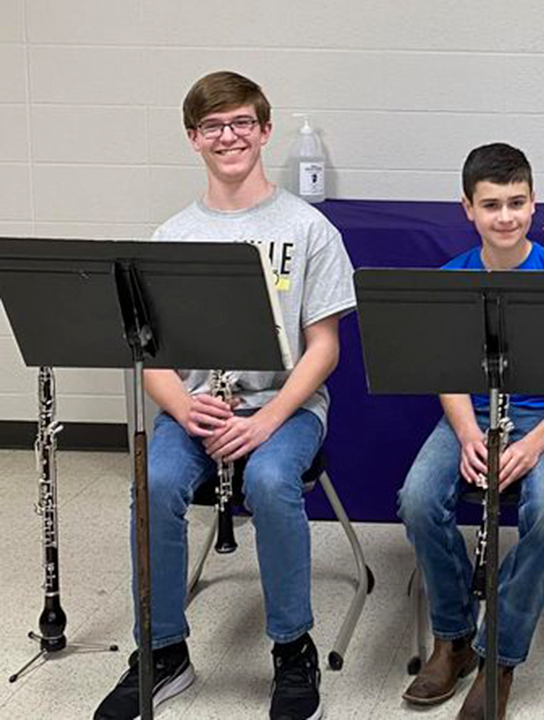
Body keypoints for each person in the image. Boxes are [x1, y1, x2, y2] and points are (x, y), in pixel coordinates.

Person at [95, 71, 356, 720]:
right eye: (213, 126)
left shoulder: (308, 229)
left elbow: (323, 347)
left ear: (265, 131)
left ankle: (292, 646)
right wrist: (183, 408)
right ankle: (163, 651)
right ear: (193, 139)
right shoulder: (172, 238)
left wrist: (267, 418)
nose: (229, 136)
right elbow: (152, 359)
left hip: (285, 408)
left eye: (242, 123)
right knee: (153, 485)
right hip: (196, 410)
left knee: (269, 483)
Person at [397, 143, 544, 720]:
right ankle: (453, 636)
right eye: (491, 205)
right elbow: (444, 374)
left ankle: (499, 655)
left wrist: (534, 444)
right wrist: (465, 433)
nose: (505, 217)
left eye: (517, 203)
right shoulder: (451, 278)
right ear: (468, 209)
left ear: (534, 203)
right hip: (471, 417)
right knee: (417, 500)